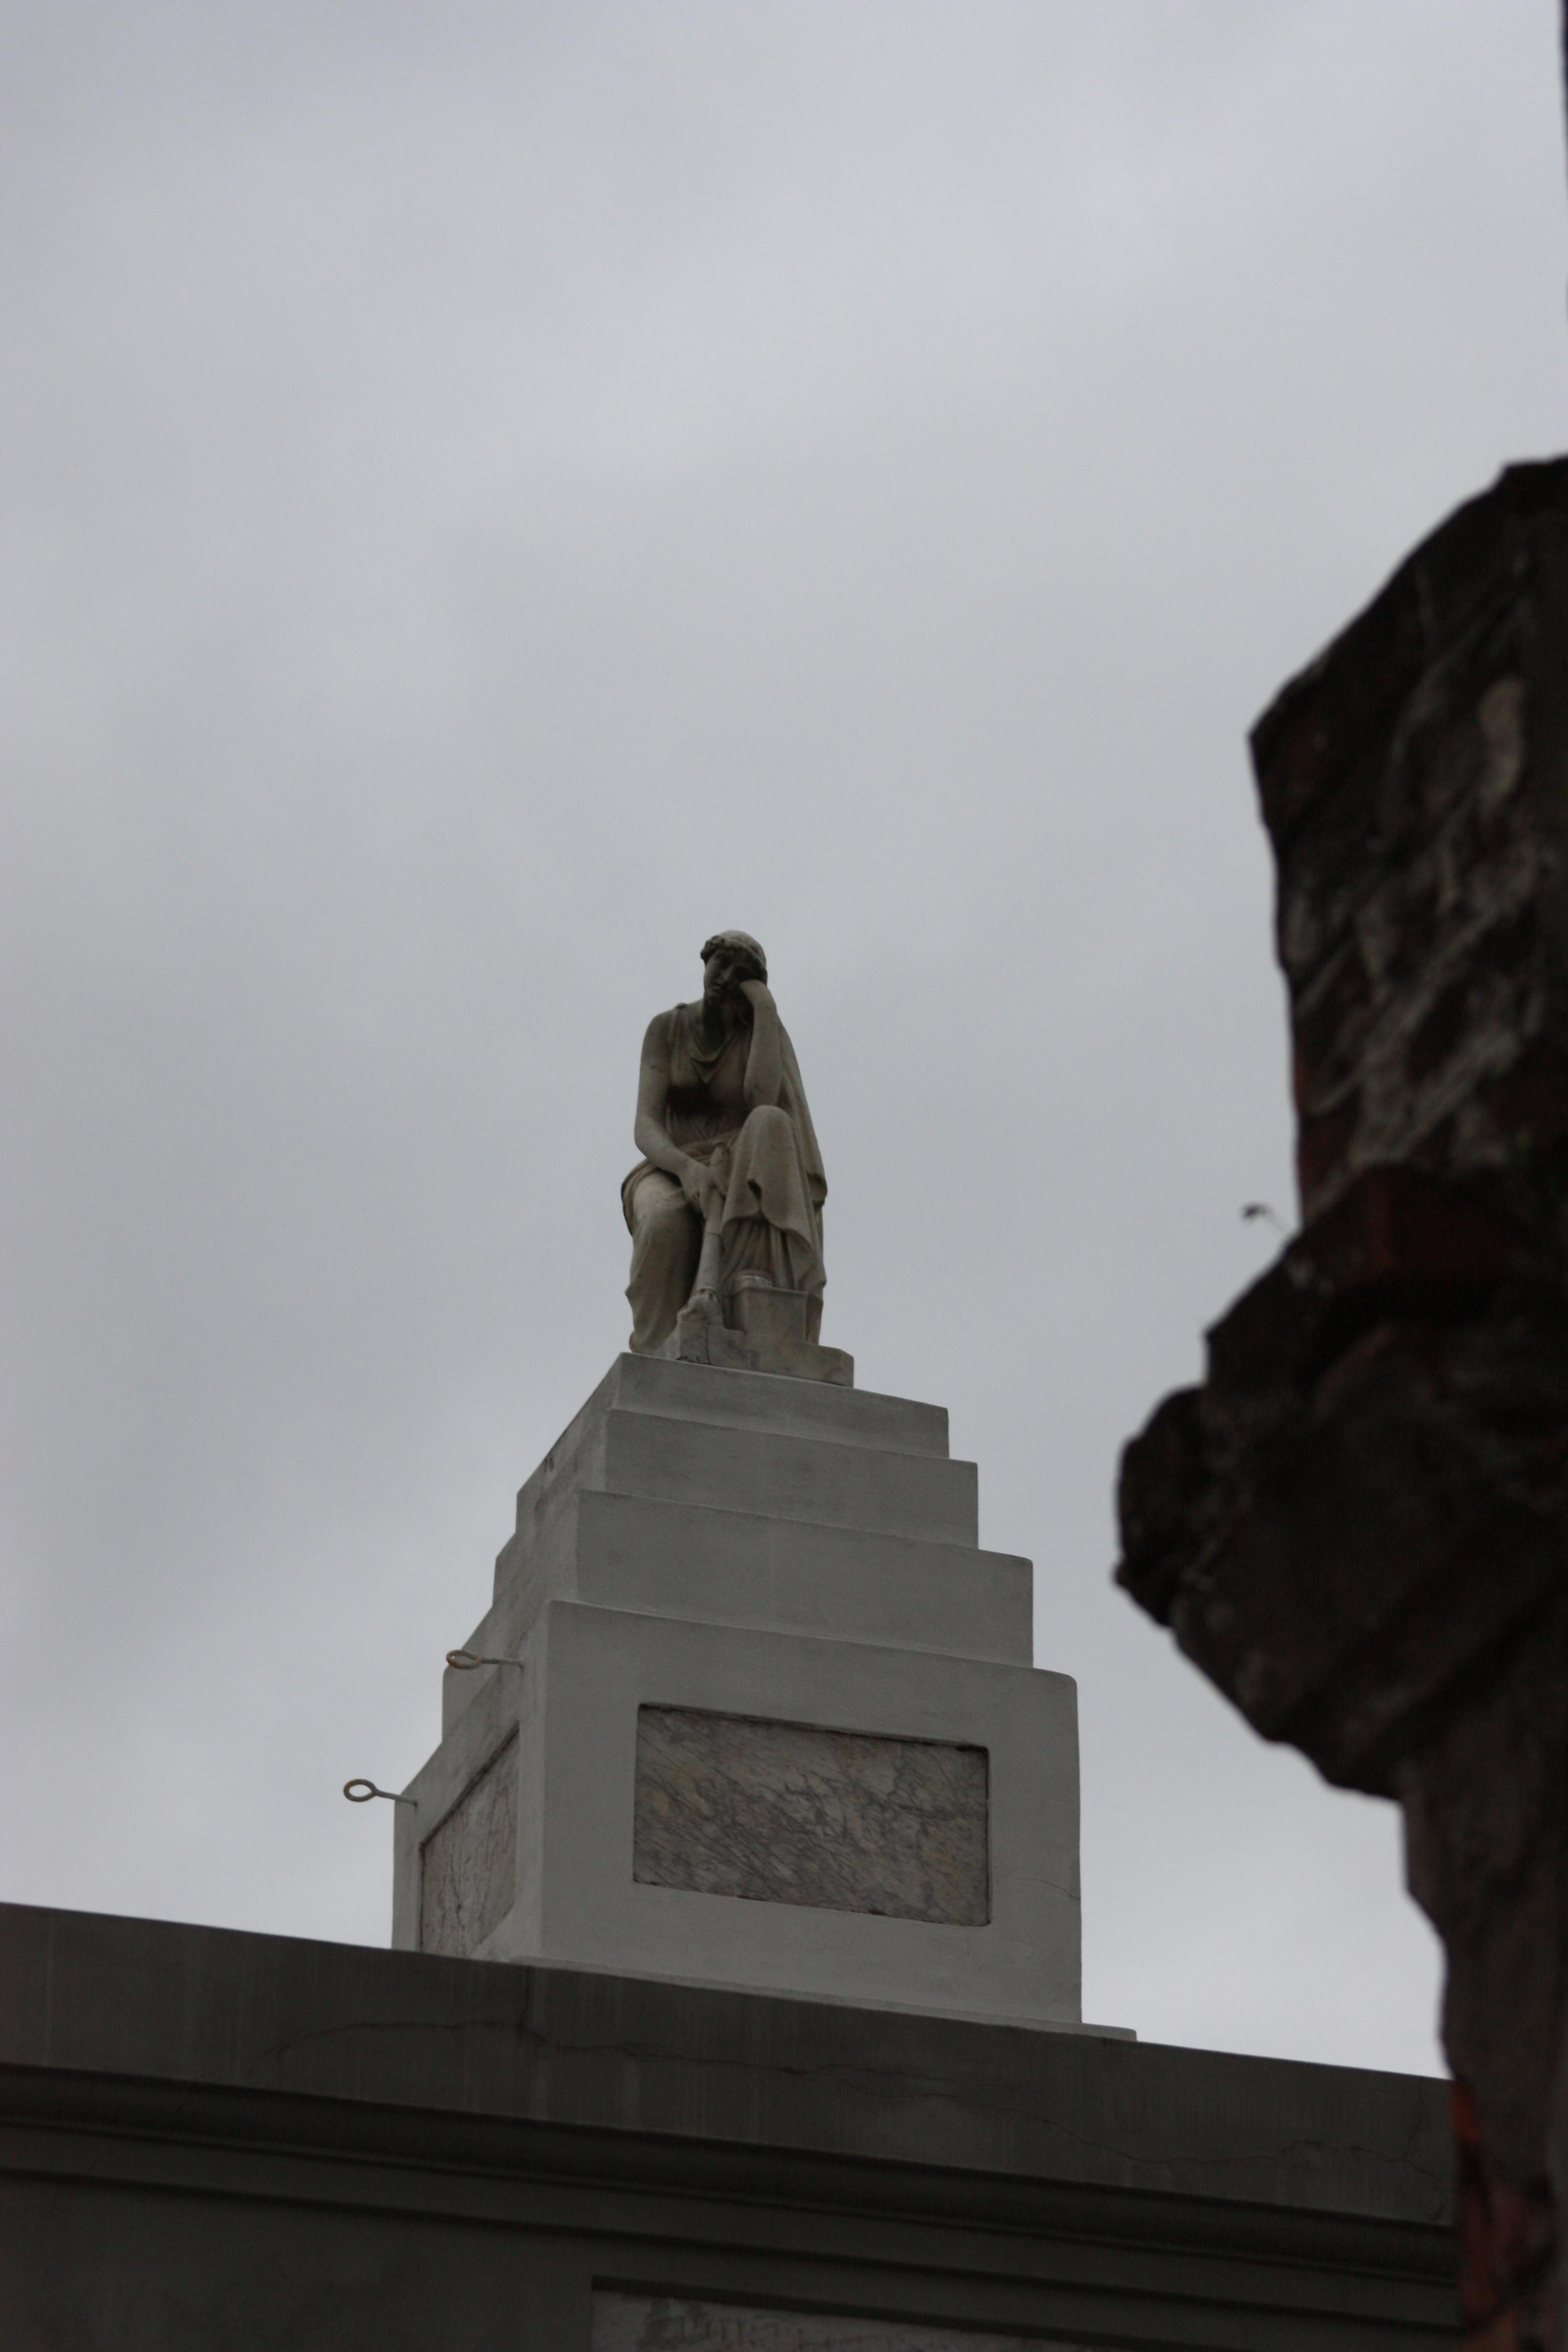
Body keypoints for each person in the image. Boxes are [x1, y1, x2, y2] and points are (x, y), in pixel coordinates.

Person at [623, 931, 827, 1355]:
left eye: (743, 973)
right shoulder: (667, 1029)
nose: (727, 978)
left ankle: (742, 1296)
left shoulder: (758, 1034)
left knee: (771, 1124)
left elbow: (762, 1099)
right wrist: (686, 1169)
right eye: (722, 964)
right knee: (663, 1223)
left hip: (742, 1162)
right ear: (706, 962)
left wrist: (765, 1009)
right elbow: (646, 1125)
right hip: (671, 1165)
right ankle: (657, 1354)